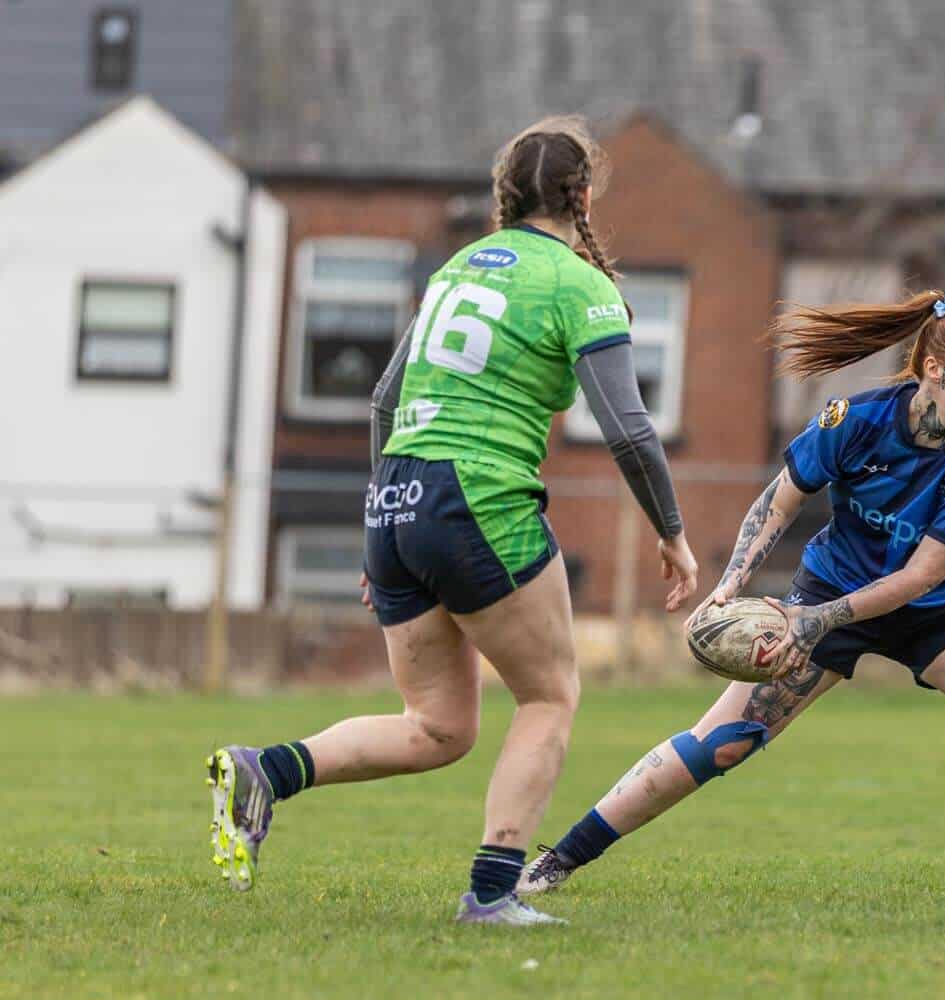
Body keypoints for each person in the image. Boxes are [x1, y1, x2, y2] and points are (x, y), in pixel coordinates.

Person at [205, 114, 700, 926]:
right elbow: (630, 430)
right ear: (581, 197)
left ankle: (268, 771)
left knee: (439, 727)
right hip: (477, 496)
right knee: (549, 696)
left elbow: (384, 400)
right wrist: (672, 532)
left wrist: (385, 520)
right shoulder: (580, 286)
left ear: (507, 194)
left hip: (395, 496)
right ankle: (493, 893)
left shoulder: (457, 267)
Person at [518, 276, 945, 906]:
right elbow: (780, 501)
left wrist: (811, 621)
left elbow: (921, 576)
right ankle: (560, 858)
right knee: (721, 744)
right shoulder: (856, 420)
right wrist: (730, 584)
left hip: (942, 611)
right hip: (834, 588)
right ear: (934, 369)